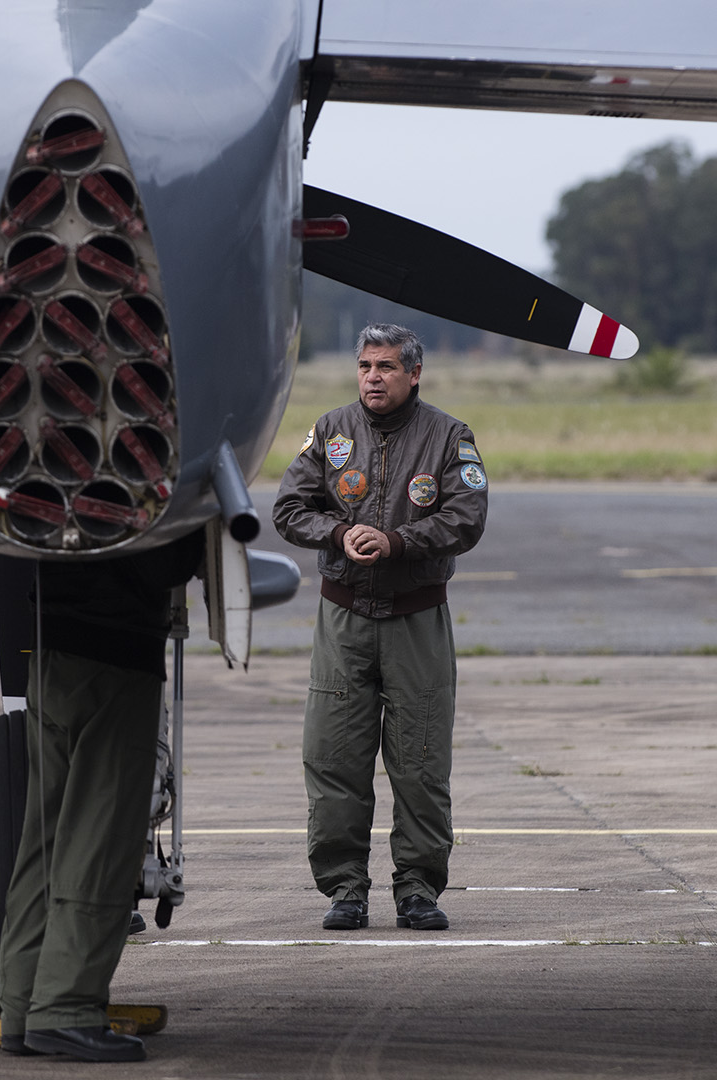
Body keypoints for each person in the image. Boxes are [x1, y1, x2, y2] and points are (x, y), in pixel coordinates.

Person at [272, 323, 487, 933]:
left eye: (387, 367)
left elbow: (467, 518)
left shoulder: (449, 437)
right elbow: (289, 508)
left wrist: (396, 541)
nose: (374, 378)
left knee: (419, 761)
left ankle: (418, 889)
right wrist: (340, 533)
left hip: (416, 617)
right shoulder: (332, 431)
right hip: (343, 618)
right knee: (333, 757)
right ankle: (345, 889)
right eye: (366, 366)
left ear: (414, 374)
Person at [0, 529, 204, 1062]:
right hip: (117, 654)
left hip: (51, 649)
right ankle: (66, 1009)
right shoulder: (138, 473)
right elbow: (162, 562)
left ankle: (21, 1005)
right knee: (104, 836)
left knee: (45, 836)